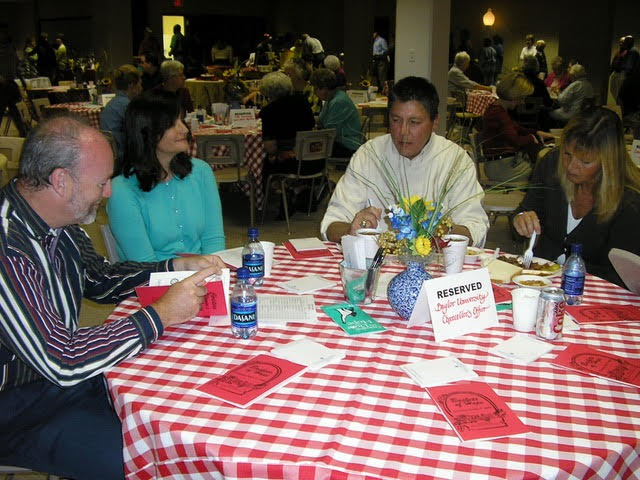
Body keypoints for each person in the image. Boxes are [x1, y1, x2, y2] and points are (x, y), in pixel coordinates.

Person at [0, 115, 225, 479]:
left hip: (56, 383)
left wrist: (173, 265)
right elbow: (63, 358)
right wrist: (160, 314)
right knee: (151, 459)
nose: (108, 192)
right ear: (61, 181)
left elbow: (100, 279)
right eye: (102, 182)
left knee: (177, 399)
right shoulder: (9, 247)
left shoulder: (58, 224)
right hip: (17, 407)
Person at [321, 76, 489, 246]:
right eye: (396, 120)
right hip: (375, 263)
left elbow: (476, 228)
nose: (403, 131)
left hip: (437, 265)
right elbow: (331, 224)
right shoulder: (369, 155)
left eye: (414, 122)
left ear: (435, 121)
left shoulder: (455, 160)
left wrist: (445, 232)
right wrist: (350, 229)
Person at [512, 107, 640, 287]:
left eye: (585, 161)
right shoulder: (551, 165)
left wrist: (563, 272)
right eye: (567, 154)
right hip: (538, 284)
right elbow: (519, 220)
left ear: (608, 161)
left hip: (593, 294)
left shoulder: (629, 203)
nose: (571, 167)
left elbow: (620, 277)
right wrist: (520, 220)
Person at [107, 91, 225, 261]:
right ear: (147, 132)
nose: (184, 129)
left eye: (182, 120)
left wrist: (214, 275)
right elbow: (143, 263)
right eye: (172, 124)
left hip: (203, 274)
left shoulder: (201, 172)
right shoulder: (122, 190)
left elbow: (213, 239)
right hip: (153, 281)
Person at [258, 71, 316, 215]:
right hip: (313, 160)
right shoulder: (302, 101)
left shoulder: (269, 111)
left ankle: (282, 193)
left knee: (265, 161)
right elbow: (312, 125)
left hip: (289, 163)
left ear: (267, 92)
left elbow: (270, 147)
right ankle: (298, 189)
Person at [480, 72, 554, 182]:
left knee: (542, 165)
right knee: (544, 169)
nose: (522, 102)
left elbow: (516, 128)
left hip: (497, 164)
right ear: (513, 96)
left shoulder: (495, 108)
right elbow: (515, 140)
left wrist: (536, 132)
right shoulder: (499, 114)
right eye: (521, 98)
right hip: (501, 169)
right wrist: (531, 138)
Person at [310, 68, 362, 158]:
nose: (314, 92)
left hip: (347, 145)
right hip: (339, 141)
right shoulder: (331, 98)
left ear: (324, 88)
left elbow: (330, 133)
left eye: (316, 88)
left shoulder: (338, 101)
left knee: (308, 148)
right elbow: (321, 120)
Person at [99, 64, 142, 160]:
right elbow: (139, 130)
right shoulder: (126, 105)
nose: (141, 88)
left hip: (109, 151)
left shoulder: (114, 102)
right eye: (140, 84)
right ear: (131, 85)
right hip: (120, 154)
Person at [0, 30, 27, 137]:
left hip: (11, 85)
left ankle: (23, 133)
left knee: (16, 111)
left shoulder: (11, 50)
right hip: (1, 87)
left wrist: (22, 79)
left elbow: (17, 67)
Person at [610, 35, 640, 103]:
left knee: (622, 92)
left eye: (624, 42)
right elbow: (614, 63)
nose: (622, 44)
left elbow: (629, 65)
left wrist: (626, 74)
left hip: (623, 73)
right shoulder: (619, 52)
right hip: (618, 73)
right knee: (614, 89)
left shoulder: (631, 52)